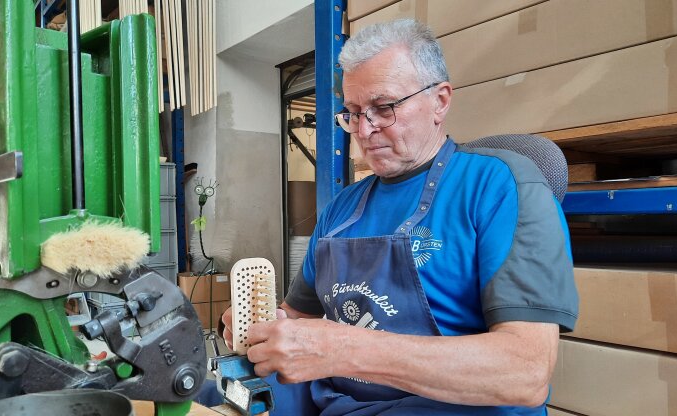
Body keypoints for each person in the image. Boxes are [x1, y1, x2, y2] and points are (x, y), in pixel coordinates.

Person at [214, 18, 578, 415]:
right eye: (352, 113)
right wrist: (262, 325)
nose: (364, 130)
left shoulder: (500, 187)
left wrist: (343, 350)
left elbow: (524, 371)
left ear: (440, 101)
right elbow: (298, 315)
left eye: (383, 108)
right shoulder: (340, 209)